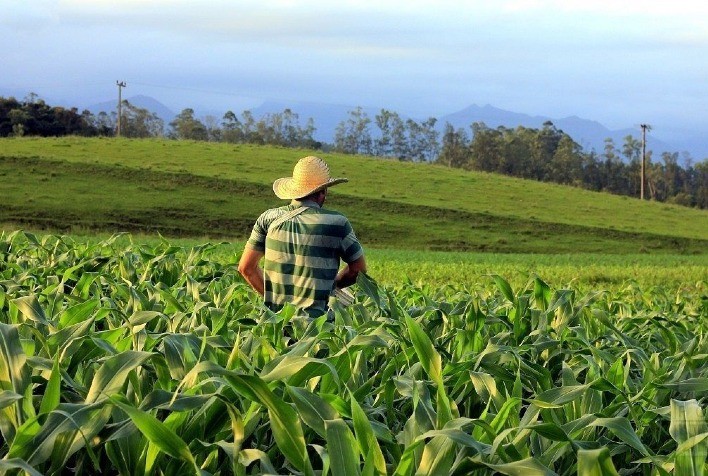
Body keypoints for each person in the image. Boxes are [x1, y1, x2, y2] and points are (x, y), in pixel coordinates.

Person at [238, 155, 367, 320]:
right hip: (316, 329)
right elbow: (358, 270)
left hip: (274, 325)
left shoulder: (268, 219)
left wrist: (274, 302)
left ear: (294, 189)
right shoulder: (337, 223)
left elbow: (246, 268)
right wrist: (332, 285)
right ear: (323, 192)